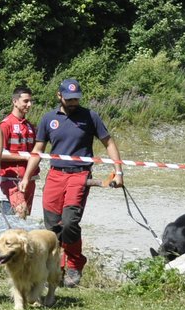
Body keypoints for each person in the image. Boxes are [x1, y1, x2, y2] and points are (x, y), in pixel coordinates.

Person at [21, 78, 123, 287]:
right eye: (69, 99)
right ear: (59, 96)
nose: (73, 102)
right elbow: (38, 150)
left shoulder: (90, 116)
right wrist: (25, 177)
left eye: (76, 98)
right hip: (55, 175)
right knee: (52, 227)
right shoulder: (49, 118)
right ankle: (55, 270)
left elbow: (109, 142)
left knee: (69, 223)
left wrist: (118, 171)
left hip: (79, 176)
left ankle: (75, 265)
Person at [0, 85, 39, 217]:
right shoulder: (5, 125)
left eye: (31, 101)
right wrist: (25, 158)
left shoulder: (30, 126)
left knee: (24, 217)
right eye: (26, 101)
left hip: (30, 178)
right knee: (21, 211)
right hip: (12, 178)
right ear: (15, 101)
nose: (29, 104)